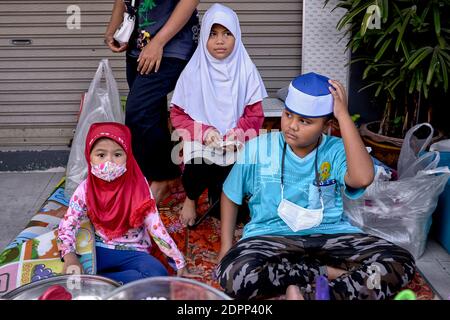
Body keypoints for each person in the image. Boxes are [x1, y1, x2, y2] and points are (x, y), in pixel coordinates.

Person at [216, 72, 416, 300]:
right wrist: (225, 246)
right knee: (235, 275)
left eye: (305, 121)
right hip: (269, 236)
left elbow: (362, 179)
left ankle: (315, 292)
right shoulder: (258, 148)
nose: (292, 126)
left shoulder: (337, 149)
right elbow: (230, 195)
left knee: (398, 261)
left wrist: (343, 116)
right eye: (288, 115)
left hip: (331, 236)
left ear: (327, 124)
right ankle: (327, 275)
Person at [170, 3, 267, 227]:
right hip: (203, 143)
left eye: (227, 33)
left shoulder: (246, 69)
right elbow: (178, 116)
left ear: (237, 36)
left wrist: (238, 134)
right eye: (213, 34)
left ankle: (219, 191)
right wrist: (204, 133)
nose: (220, 41)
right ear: (204, 36)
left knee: (232, 215)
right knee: (196, 162)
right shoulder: (193, 71)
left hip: (236, 142)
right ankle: (191, 198)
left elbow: (255, 114)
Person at [57, 122, 186, 284]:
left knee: (157, 275)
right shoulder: (85, 189)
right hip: (99, 249)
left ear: (128, 156)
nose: (109, 162)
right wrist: (70, 257)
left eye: (117, 155)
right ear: (89, 157)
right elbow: (68, 224)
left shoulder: (139, 187)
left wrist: (178, 260)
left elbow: (155, 226)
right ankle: (104, 282)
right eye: (101, 155)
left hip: (133, 250)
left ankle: (95, 283)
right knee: (71, 268)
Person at [104, 0, 200, 204]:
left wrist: (158, 43)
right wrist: (113, 28)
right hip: (137, 45)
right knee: (151, 112)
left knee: (138, 110)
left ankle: (162, 178)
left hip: (171, 45)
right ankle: (162, 175)